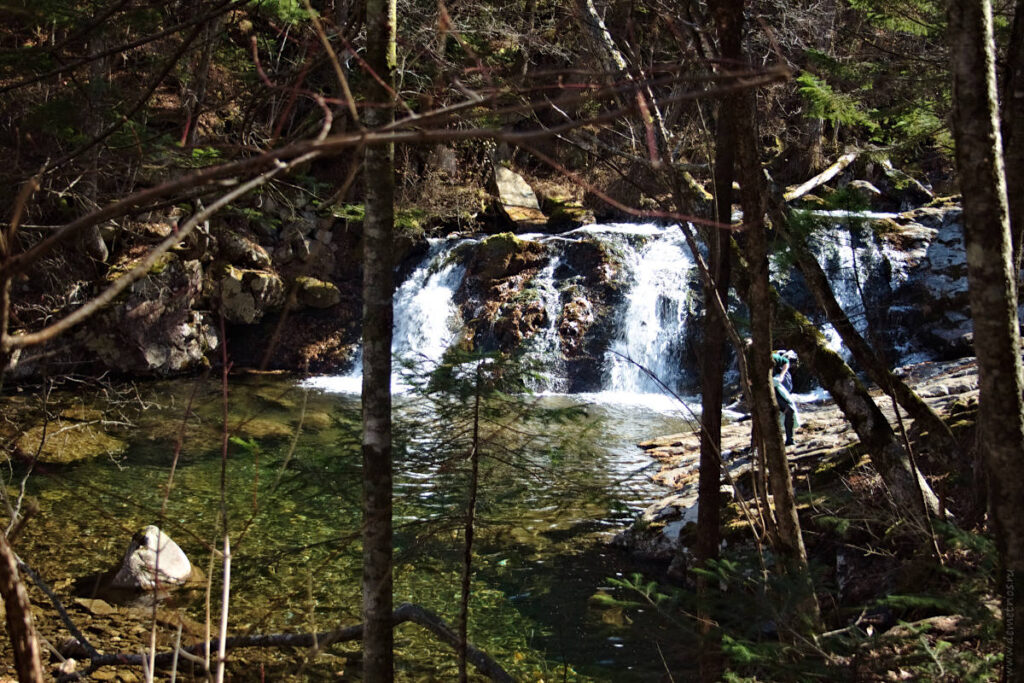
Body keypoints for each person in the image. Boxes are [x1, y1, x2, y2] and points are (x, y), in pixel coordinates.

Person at [772, 351, 799, 446]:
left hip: (775, 390)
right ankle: (756, 445)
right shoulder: (748, 361)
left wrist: (781, 376)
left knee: (789, 410)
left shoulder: (771, 356)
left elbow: (785, 361)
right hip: (760, 392)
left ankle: (790, 440)